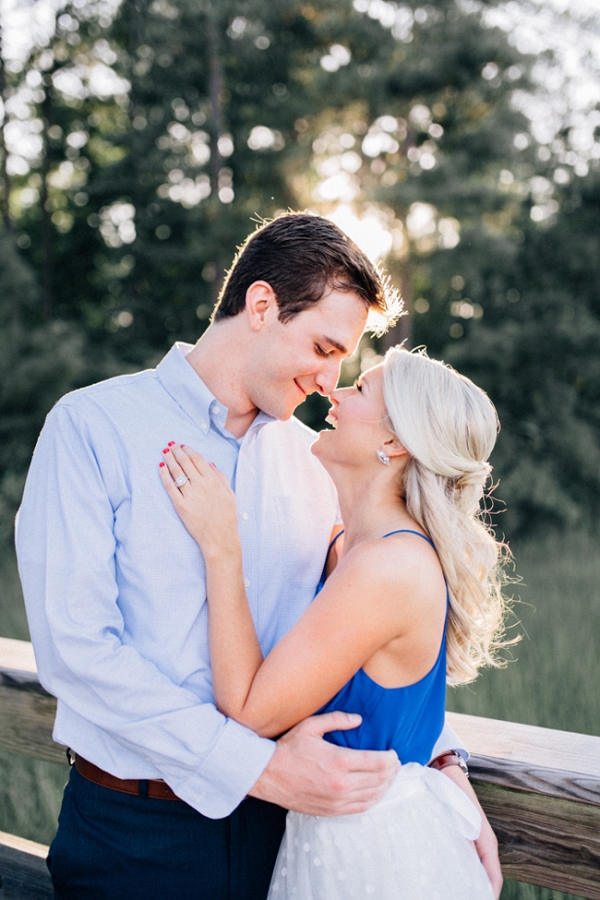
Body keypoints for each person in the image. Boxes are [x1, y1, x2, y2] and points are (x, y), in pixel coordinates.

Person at [15, 213, 500, 899]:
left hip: (287, 833)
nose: (332, 382)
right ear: (263, 305)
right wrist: (254, 766)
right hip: (134, 833)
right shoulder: (93, 428)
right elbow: (78, 651)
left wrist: (438, 757)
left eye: (347, 364)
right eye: (325, 347)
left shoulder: (319, 466)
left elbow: (366, 631)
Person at [158, 346, 508, 899]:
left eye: (362, 388)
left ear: (393, 443)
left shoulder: (388, 567)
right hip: (332, 836)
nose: (336, 393)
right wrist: (446, 758)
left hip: (378, 853)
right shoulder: (353, 547)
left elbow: (249, 709)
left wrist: (222, 547)